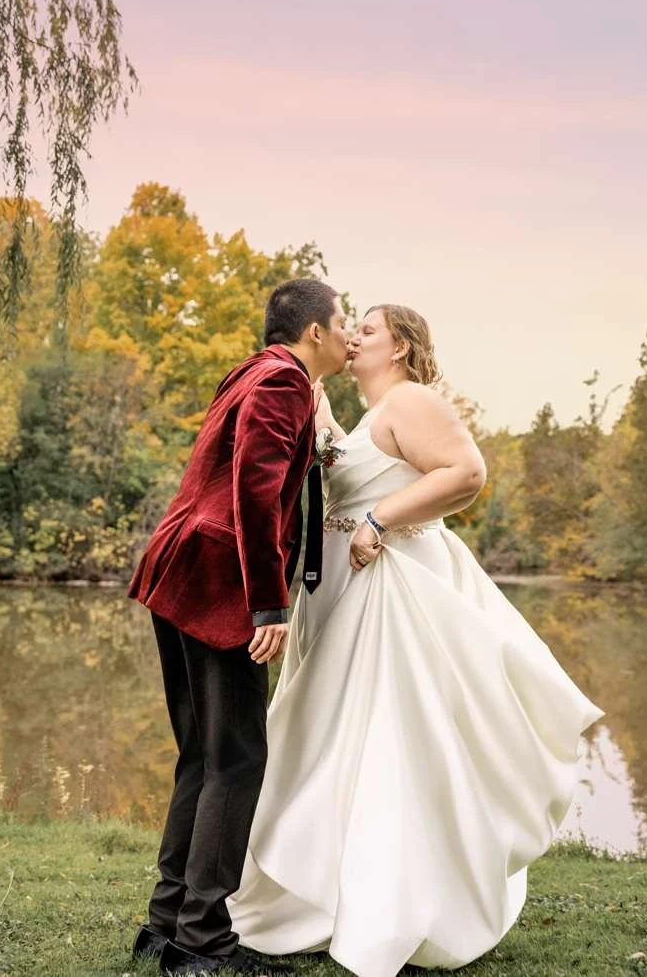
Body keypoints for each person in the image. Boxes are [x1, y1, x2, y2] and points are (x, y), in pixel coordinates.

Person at [227, 305, 603, 977]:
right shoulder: (376, 414)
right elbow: (369, 469)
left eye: (366, 330)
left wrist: (379, 518)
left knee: (383, 745)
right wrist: (325, 430)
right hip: (337, 592)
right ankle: (330, 894)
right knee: (327, 739)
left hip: (387, 595)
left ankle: (389, 906)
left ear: (398, 346)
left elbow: (465, 473)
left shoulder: (414, 399)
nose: (353, 338)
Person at [128, 278, 348, 976]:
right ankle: (202, 942)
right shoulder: (283, 382)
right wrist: (269, 605)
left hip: (181, 570)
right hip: (222, 583)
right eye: (343, 322)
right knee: (237, 759)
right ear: (315, 331)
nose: (347, 334)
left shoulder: (256, 373)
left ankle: (166, 925)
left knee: (203, 755)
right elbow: (254, 489)